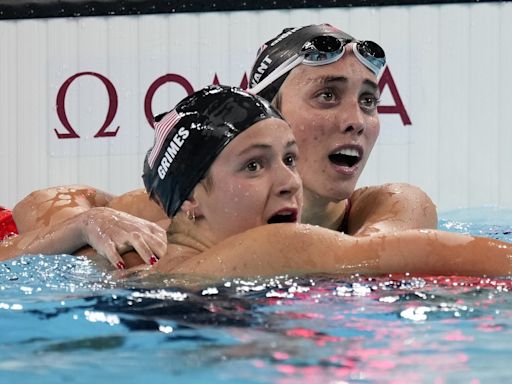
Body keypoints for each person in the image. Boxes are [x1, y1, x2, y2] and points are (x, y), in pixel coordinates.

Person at [10, 24, 436, 265]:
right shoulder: (184, 209)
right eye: (327, 95)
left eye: (368, 101)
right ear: (266, 111)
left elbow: (372, 260)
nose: (355, 121)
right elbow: (41, 204)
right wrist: (91, 222)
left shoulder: (391, 206)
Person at [2, 86, 511, 279]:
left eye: (289, 158)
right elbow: (437, 256)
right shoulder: (271, 248)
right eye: (253, 165)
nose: (291, 182)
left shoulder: (123, 259)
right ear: (190, 201)